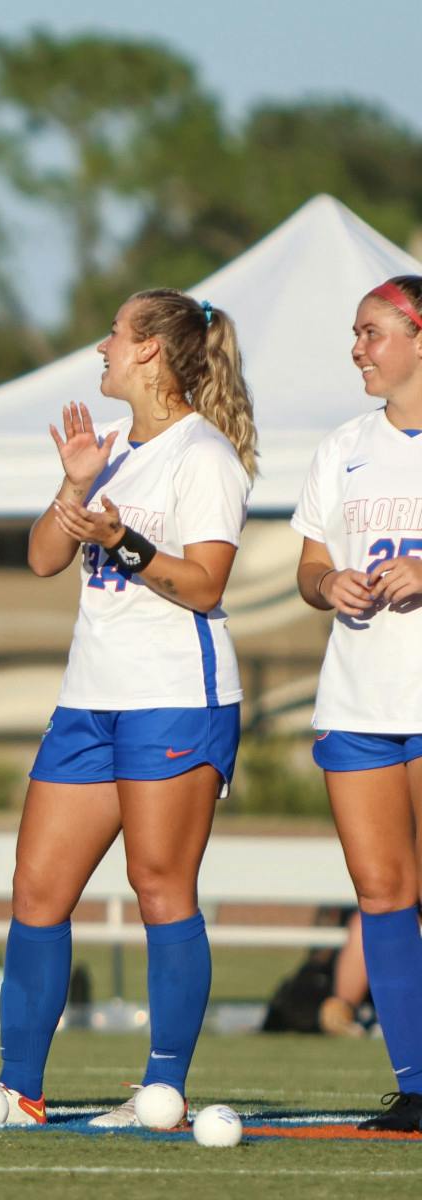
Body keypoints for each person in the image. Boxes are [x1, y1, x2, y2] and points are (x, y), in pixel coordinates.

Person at [0, 289, 255, 1128]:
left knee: (160, 889)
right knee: (37, 891)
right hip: (89, 700)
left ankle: (161, 1091)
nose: (102, 346)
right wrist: (76, 485)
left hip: (175, 700)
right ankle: (20, 1092)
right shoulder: (109, 449)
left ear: (151, 350)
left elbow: (206, 585)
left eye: (116, 333)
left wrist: (123, 540)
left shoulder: (206, 457)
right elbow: (46, 557)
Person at [291, 274, 422, 1132]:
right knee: (382, 895)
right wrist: (326, 581)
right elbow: (308, 566)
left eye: (372, 332)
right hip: (358, 701)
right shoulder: (343, 446)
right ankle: (414, 1089)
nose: (358, 348)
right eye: (355, 333)